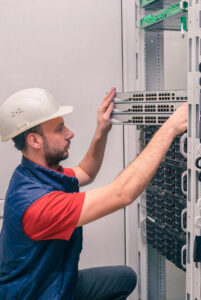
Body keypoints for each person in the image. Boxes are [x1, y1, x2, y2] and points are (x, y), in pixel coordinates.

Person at [0, 87, 188, 299]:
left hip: (52, 281)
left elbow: (85, 172)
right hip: (38, 293)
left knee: (124, 278)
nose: (70, 133)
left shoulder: (35, 174)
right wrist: (170, 128)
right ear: (34, 140)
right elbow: (122, 194)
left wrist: (101, 131)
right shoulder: (38, 205)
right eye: (60, 128)